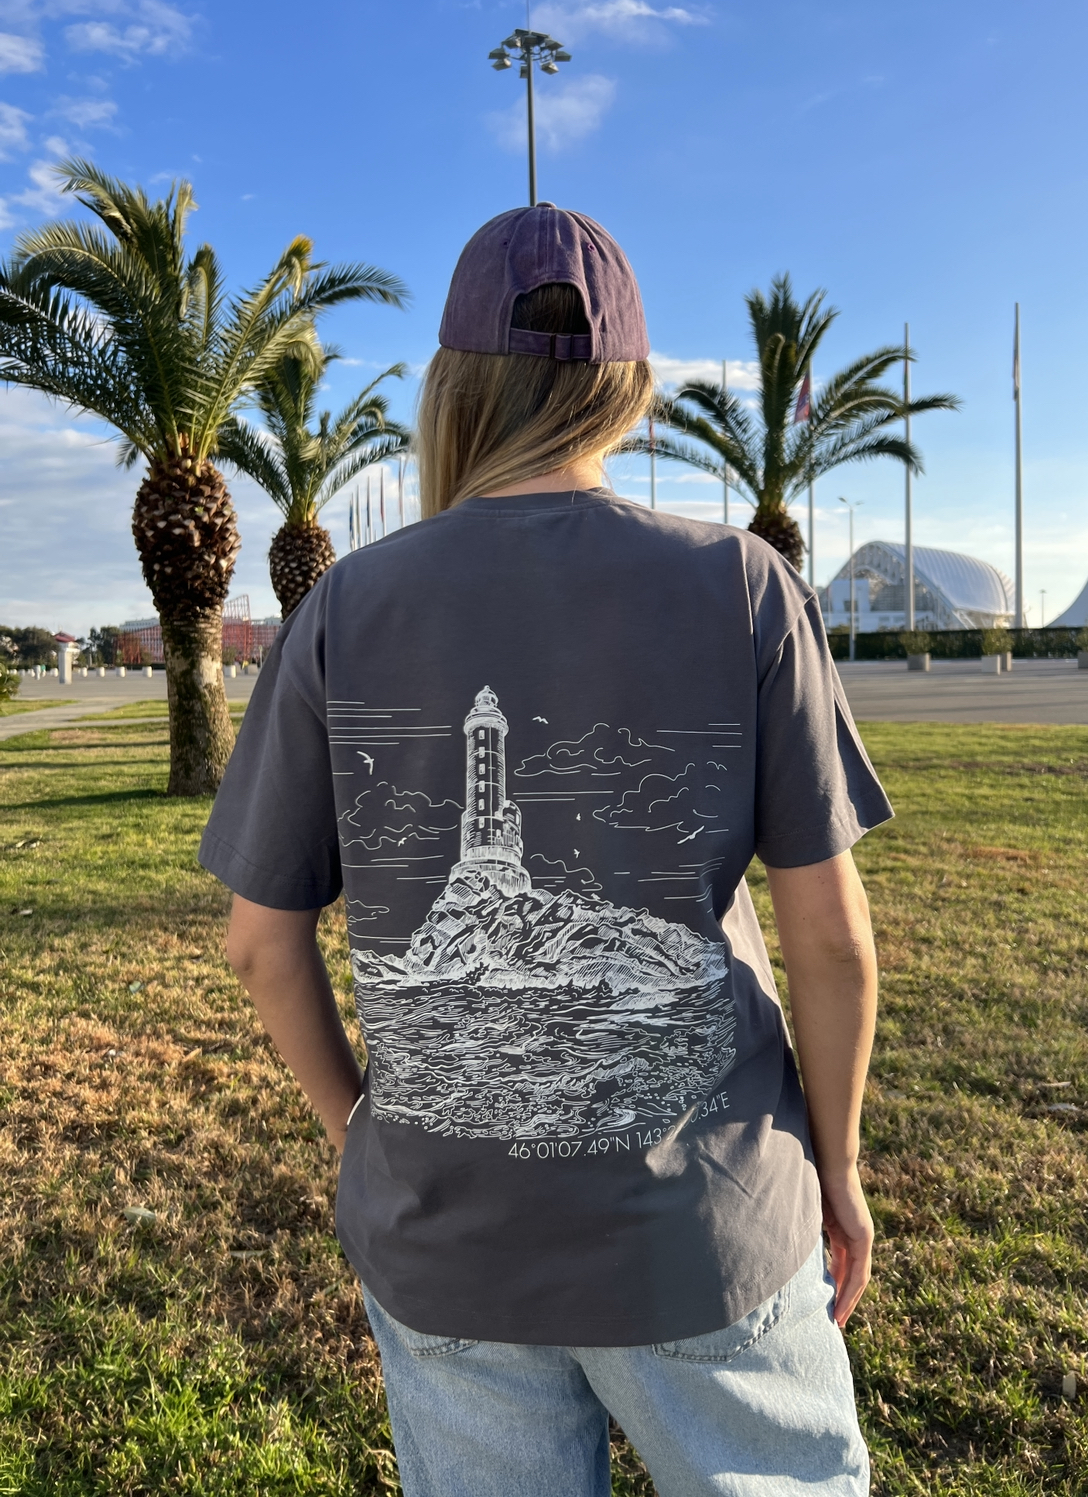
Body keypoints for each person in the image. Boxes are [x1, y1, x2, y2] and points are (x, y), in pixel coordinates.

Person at [201, 203, 893, 1497]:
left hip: (446, 1247)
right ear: (627, 388)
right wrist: (838, 1171)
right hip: (707, 1226)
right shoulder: (745, 585)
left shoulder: (342, 607)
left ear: (454, 383)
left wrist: (366, 1133)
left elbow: (259, 943)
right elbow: (833, 942)